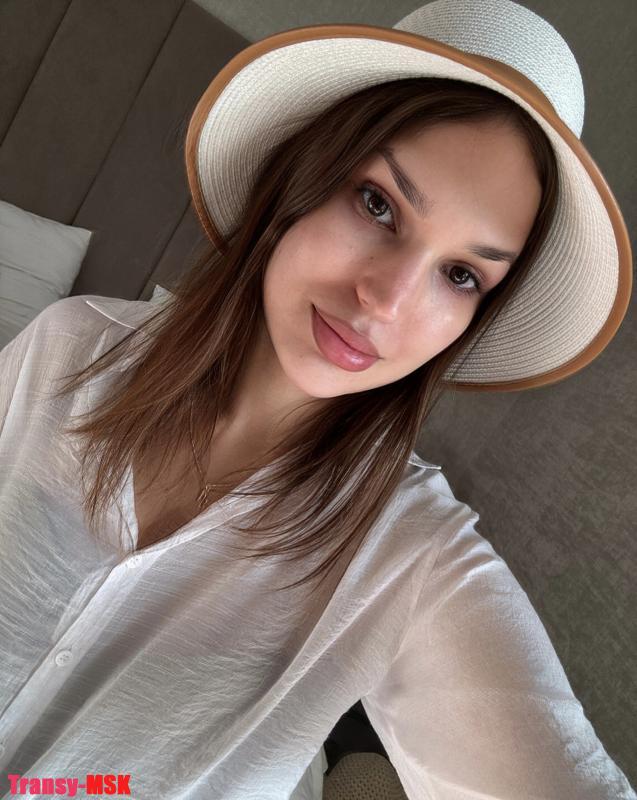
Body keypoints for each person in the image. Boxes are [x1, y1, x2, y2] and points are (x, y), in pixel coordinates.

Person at [0, 0, 634, 798]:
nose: (386, 301)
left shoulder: (414, 559)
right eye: (378, 204)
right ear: (300, 177)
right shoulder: (67, 348)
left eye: (460, 275)